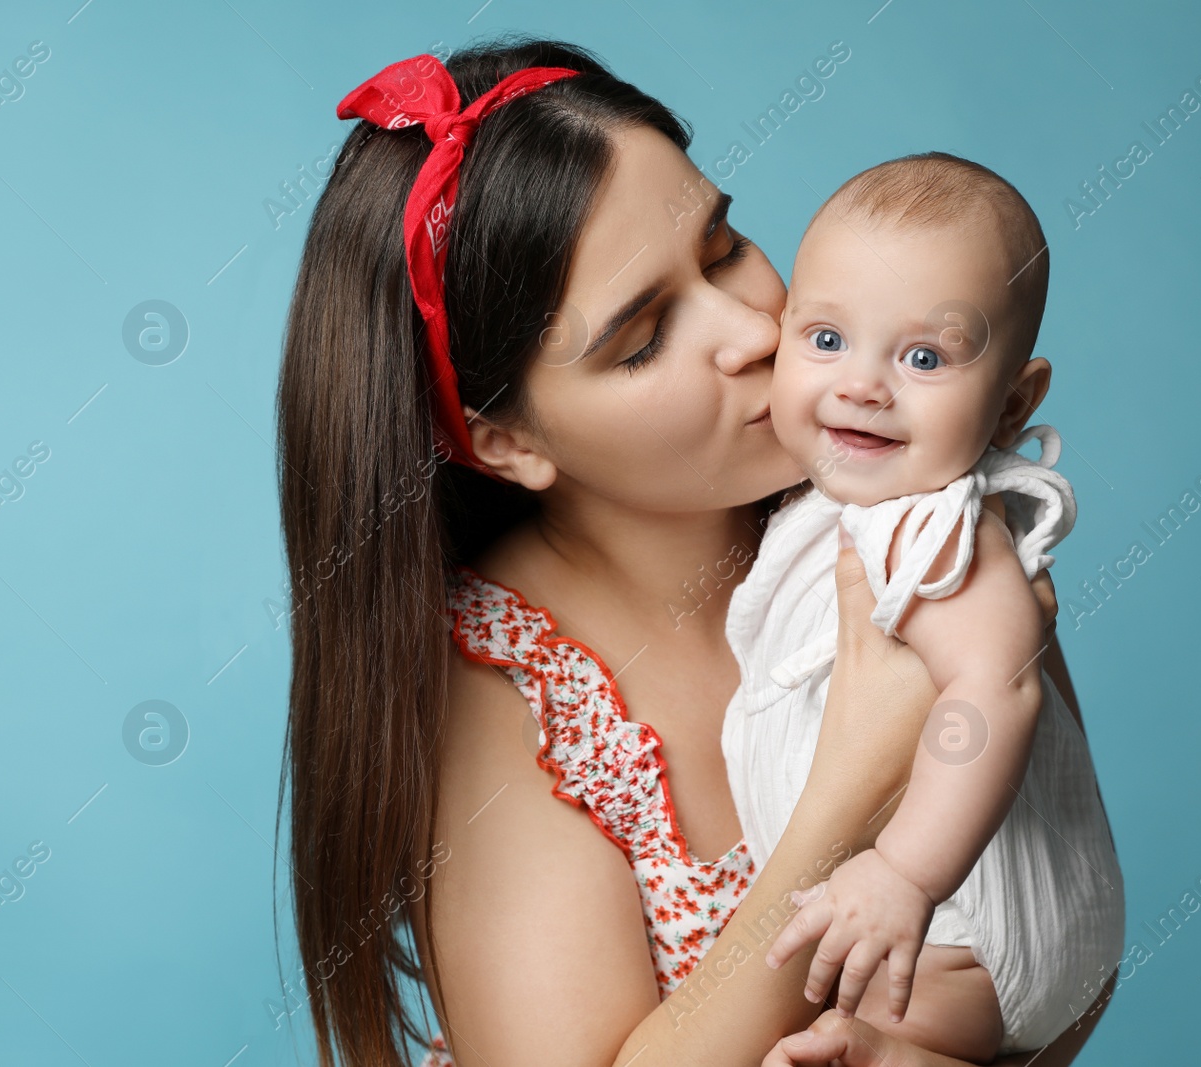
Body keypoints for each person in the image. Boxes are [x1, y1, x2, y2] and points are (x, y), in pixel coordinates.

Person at [276, 34, 1116, 1067]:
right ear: (511, 440)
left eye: (721, 246)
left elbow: (1057, 951)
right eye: (642, 338)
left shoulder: (899, 505)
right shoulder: (505, 694)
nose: (751, 331)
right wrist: (849, 787)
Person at [729, 153, 1124, 1061]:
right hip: (956, 922)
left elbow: (999, 685)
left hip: (968, 923)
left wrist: (905, 871)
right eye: (826, 339)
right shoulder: (837, 506)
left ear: (1011, 404)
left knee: (849, 1025)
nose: (864, 383)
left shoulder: (934, 520)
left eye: (923, 357)